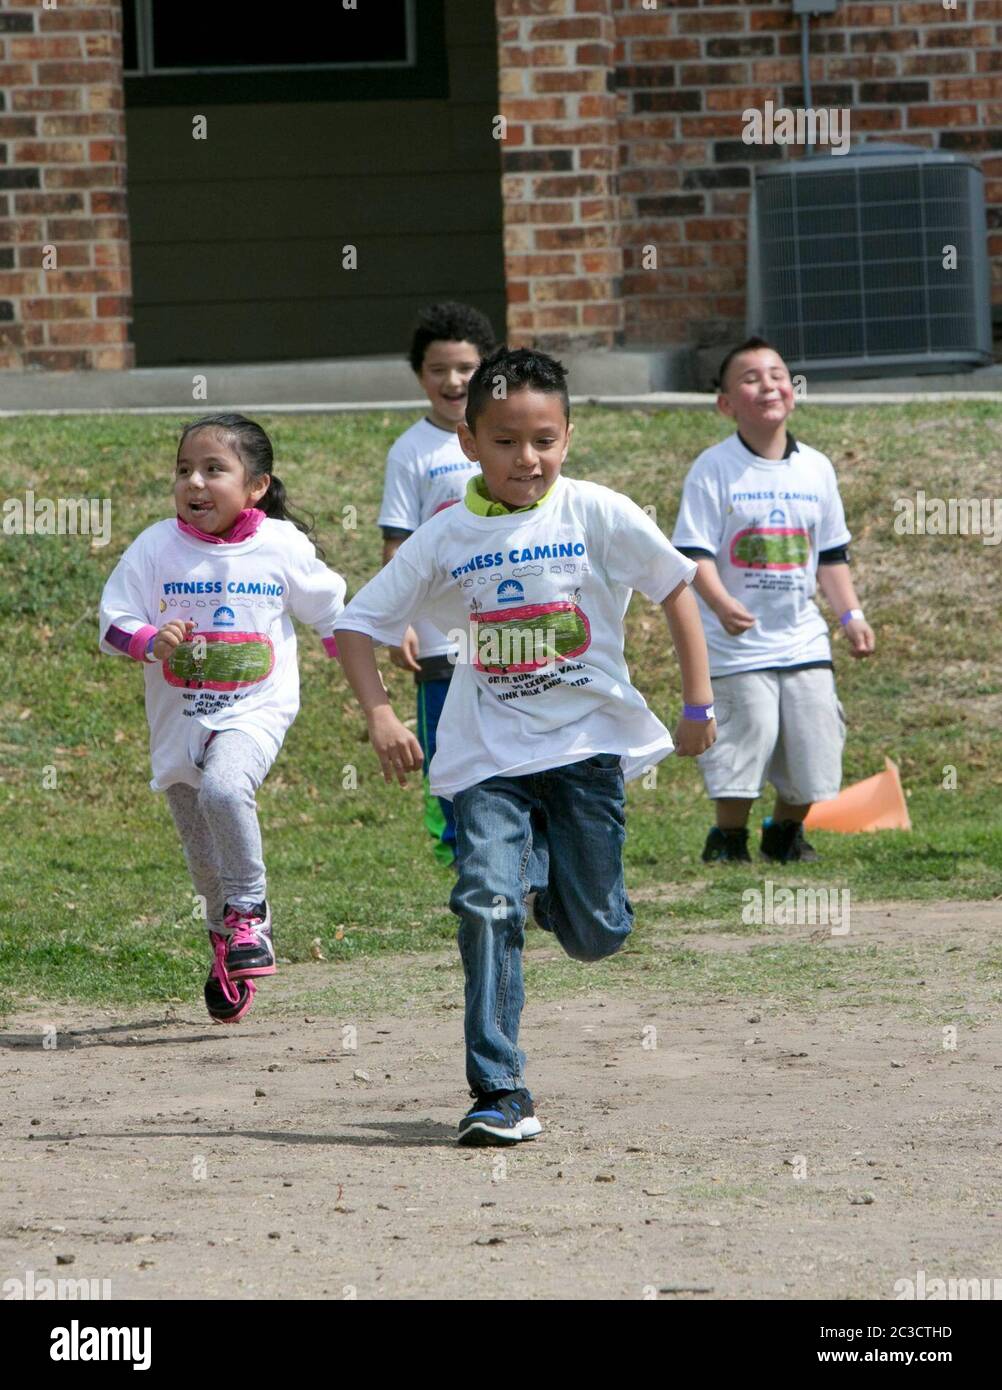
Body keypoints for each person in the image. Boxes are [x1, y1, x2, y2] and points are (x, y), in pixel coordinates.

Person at [335, 347, 715, 1144]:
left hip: (584, 752)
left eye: (543, 439)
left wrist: (697, 704)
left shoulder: (598, 511)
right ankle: (499, 1090)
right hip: (488, 759)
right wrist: (379, 715)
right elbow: (356, 625)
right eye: (505, 441)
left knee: (598, 932)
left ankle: (550, 891)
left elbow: (676, 589)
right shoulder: (447, 537)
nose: (526, 458)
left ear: (567, 439)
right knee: (485, 900)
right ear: (468, 442)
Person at [99, 414, 346, 1021]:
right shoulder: (157, 545)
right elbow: (112, 621)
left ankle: (251, 914)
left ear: (256, 485)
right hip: (180, 722)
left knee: (226, 789)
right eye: (184, 471)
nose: (195, 484)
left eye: (214, 469)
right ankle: (226, 939)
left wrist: (367, 675)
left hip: (255, 709)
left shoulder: (282, 547)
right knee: (205, 865)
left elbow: (332, 612)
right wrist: (150, 640)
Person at [671, 337, 875, 865]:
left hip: (802, 636)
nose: (769, 385)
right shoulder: (713, 469)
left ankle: (785, 832)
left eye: (777, 374)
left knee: (815, 740)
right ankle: (728, 838)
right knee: (747, 733)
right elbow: (693, 552)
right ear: (725, 403)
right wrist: (719, 604)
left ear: (792, 389)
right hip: (738, 644)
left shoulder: (817, 469)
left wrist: (850, 615)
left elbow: (830, 556)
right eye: (751, 378)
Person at [378, 301, 496, 867]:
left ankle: (510, 837)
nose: (453, 381)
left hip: (504, 624)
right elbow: (398, 546)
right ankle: (455, 847)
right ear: (420, 375)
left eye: (467, 368)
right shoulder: (411, 452)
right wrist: (399, 618)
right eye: (438, 370)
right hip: (437, 633)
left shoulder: (506, 438)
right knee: (445, 740)